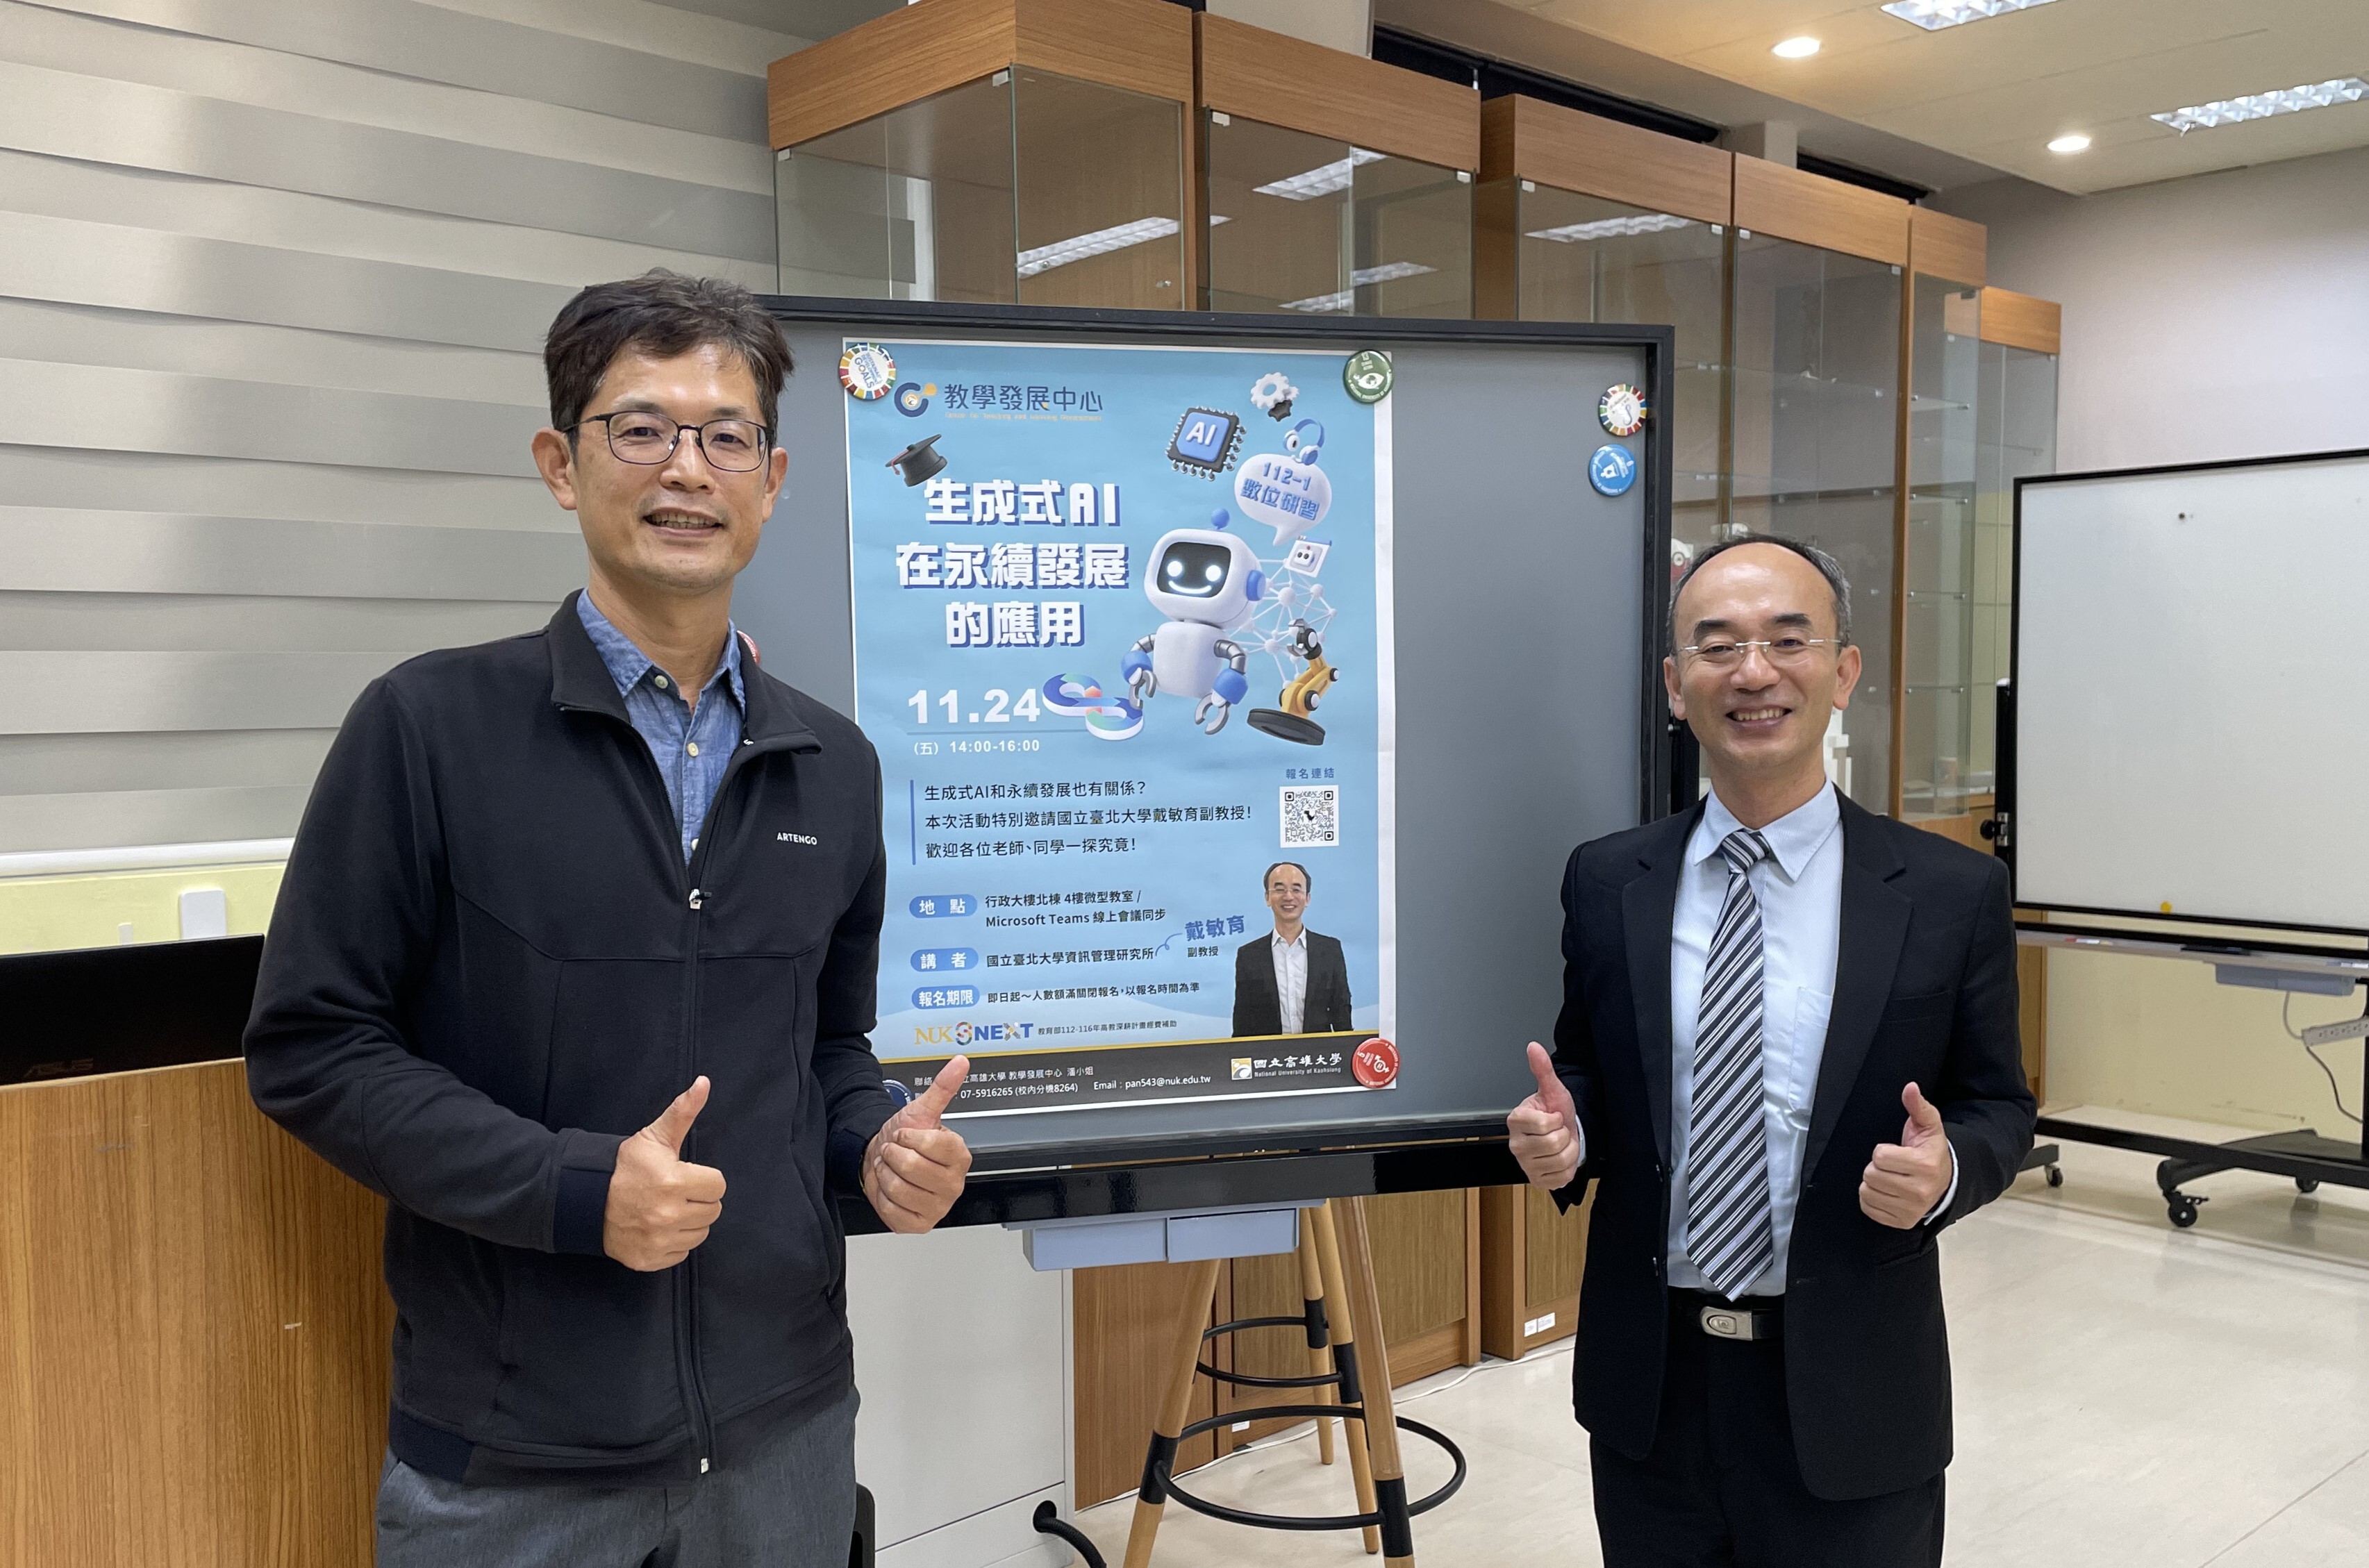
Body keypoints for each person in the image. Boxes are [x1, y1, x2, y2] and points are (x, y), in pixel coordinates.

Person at [245, 271, 974, 1567]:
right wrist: (577, 1188)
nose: (686, 468)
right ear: (560, 463)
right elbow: (314, 1047)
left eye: (724, 434)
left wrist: (874, 1148)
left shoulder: (839, 765)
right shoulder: (426, 729)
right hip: (517, 1454)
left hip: (785, 1424)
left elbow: (825, 1050)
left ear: (773, 476)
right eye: (640, 428)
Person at [1505, 535, 2034, 1567]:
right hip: (1652, 1382)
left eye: (1786, 640)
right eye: (1716, 646)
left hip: (1850, 1380)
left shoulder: (1945, 892)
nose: (1751, 672)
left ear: (1841, 672)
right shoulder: (1609, 881)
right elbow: (1588, 1074)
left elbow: (1997, 1104)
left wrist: (1945, 1172)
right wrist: (1560, 1132)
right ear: (1674, 684)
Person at [1232, 860, 1353, 1037]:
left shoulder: (1330, 950)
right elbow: (1243, 1021)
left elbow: (1342, 1011)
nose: (1288, 897)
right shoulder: (1249, 956)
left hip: (1318, 1058)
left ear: (1307, 898)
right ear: (1267, 897)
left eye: (1296, 889)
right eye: (1279, 889)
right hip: (1269, 1059)